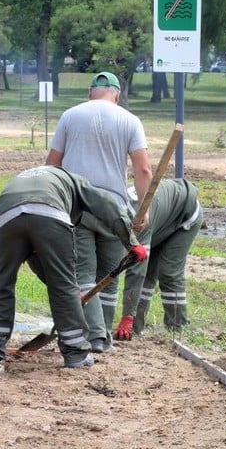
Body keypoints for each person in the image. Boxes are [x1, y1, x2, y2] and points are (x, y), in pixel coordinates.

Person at [0, 165, 147, 368]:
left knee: (1, 282)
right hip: (50, 213)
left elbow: (38, 260)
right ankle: (76, 354)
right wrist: (131, 242)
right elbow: (108, 204)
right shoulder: (77, 182)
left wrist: (64, 288)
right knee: (63, 286)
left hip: (7, 215)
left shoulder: (40, 177)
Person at [45, 71, 153, 354]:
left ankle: (95, 337)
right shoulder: (130, 120)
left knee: (83, 275)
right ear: (117, 95)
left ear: (90, 93)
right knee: (110, 274)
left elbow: (52, 165)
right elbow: (143, 169)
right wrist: (144, 210)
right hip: (114, 210)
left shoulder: (70, 116)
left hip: (78, 206)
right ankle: (102, 334)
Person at [114, 179, 203, 339]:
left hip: (185, 215)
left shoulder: (137, 218)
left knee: (169, 273)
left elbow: (136, 269)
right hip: (160, 220)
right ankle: (136, 327)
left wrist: (127, 316)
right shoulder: (111, 208)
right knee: (148, 273)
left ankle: (177, 328)